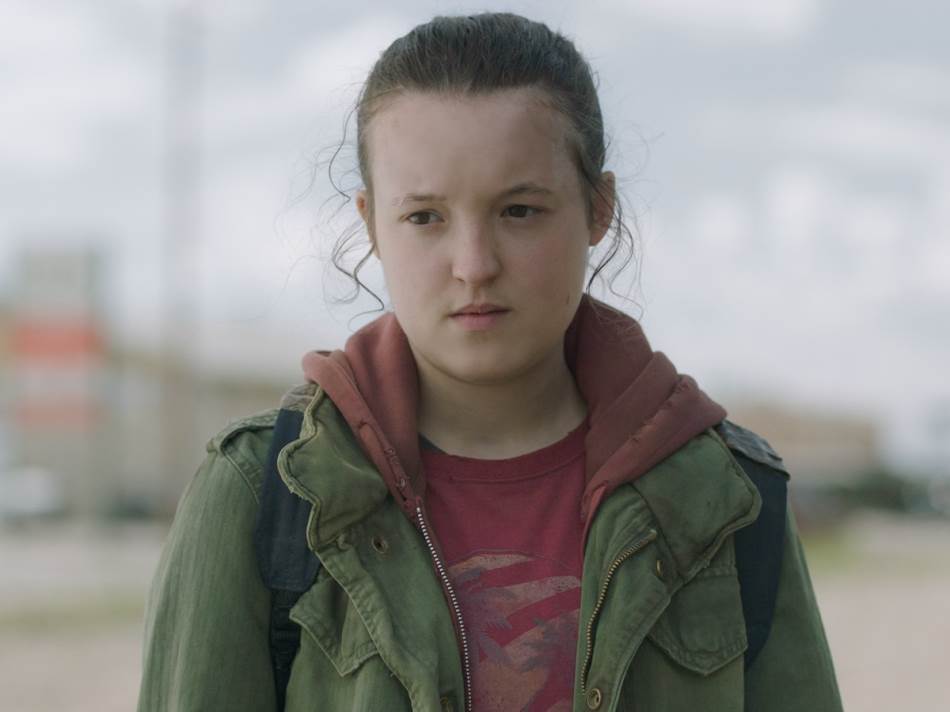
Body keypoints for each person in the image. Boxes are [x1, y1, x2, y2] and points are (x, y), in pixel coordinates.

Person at [138, 12, 842, 712]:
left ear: (598, 209)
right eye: (424, 217)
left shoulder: (727, 496)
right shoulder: (263, 492)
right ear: (371, 222)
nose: (474, 265)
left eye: (519, 211)